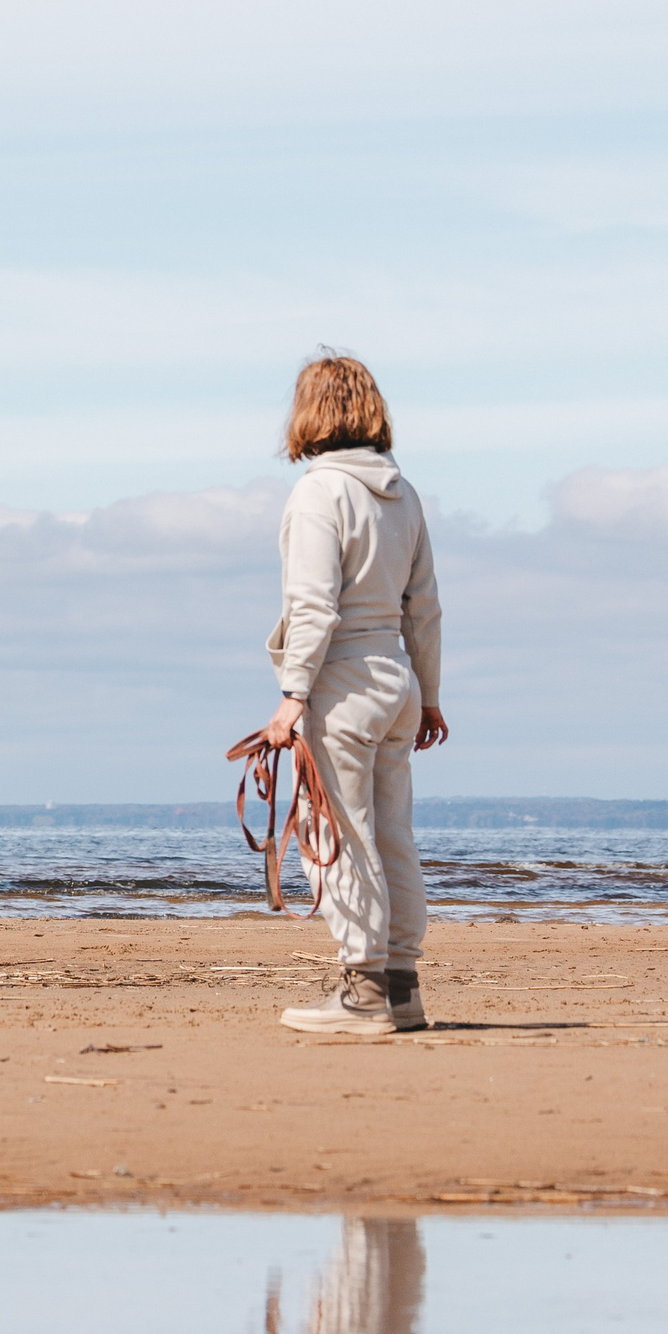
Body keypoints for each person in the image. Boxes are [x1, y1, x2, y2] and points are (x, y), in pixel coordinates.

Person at [261, 354, 447, 1035]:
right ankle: (401, 985)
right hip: (396, 677)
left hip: (342, 681)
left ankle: (364, 992)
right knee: (392, 834)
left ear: (308, 414)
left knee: (337, 835)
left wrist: (292, 694)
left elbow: (313, 607)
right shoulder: (405, 494)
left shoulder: (319, 493)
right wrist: (428, 695)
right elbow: (423, 607)